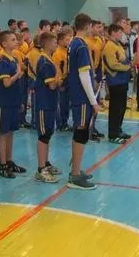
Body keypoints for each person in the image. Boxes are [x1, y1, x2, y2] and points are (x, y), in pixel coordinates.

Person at [67, 13, 101, 190]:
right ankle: (74, 175)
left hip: (78, 95)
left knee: (79, 133)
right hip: (81, 97)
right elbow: (83, 75)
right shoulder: (80, 45)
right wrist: (93, 101)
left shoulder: (73, 42)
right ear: (87, 26)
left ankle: (76, 169)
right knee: (80, 134)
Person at [0, 31, 26, 178]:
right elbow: (6, 83)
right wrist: (17, 74)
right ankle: (2, 165)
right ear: (4, 44)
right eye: (13, 40)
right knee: (3, 133)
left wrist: (19, 101)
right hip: (5, 103)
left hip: (13, 102)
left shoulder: (13, 59)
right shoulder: (3, 61)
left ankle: (9, 160)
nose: (16, 41)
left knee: (11, 132)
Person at [33, 32, 62, 183]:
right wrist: (60, 80)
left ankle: (46, 163)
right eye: (54, 42)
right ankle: (41, 169)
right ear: (46, 44)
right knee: (43, 135)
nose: (56, 44)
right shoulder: (45, 62)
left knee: (48, 134)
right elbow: (51, 85)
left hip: (50, 103)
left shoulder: (50, 60)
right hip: (44, 104)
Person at [102, 24, 131, 144]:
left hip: (122, 80)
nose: (121, 34)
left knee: (122, 107)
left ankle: (118, 129)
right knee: (115, 108)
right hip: (115, 80)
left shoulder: (118, 45)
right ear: (113, 32)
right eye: (119, 32)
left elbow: (123, 58)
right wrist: (127, 67)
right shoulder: (109, 46)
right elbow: (112, 64)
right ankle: (113, 134)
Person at [53, 31, 72, 131]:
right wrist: (60, 81)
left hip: (68, 79)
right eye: (66, 40)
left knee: (67, 103)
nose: (68, 41)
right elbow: (57, 69)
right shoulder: (57, 53)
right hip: (62, 81)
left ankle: (65, 122)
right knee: (62, 103)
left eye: (69, 39)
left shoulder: (68, 51)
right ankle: (60, 124)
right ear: (60, 41)